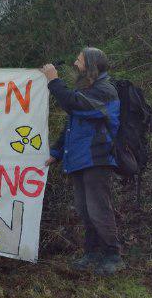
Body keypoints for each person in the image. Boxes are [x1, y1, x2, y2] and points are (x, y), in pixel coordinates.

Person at [42, 48, 124, 275]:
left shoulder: (104, 91)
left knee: (98, 209)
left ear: (91, 64)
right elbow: (72, 124)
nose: (75, 63)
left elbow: (73, 104)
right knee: (85, 210)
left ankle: (112, 255)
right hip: (78, 158)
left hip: (96, 158)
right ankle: (92, 253)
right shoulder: (88, 90)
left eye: (79, 60)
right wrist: (57, 152)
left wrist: (53, 81)